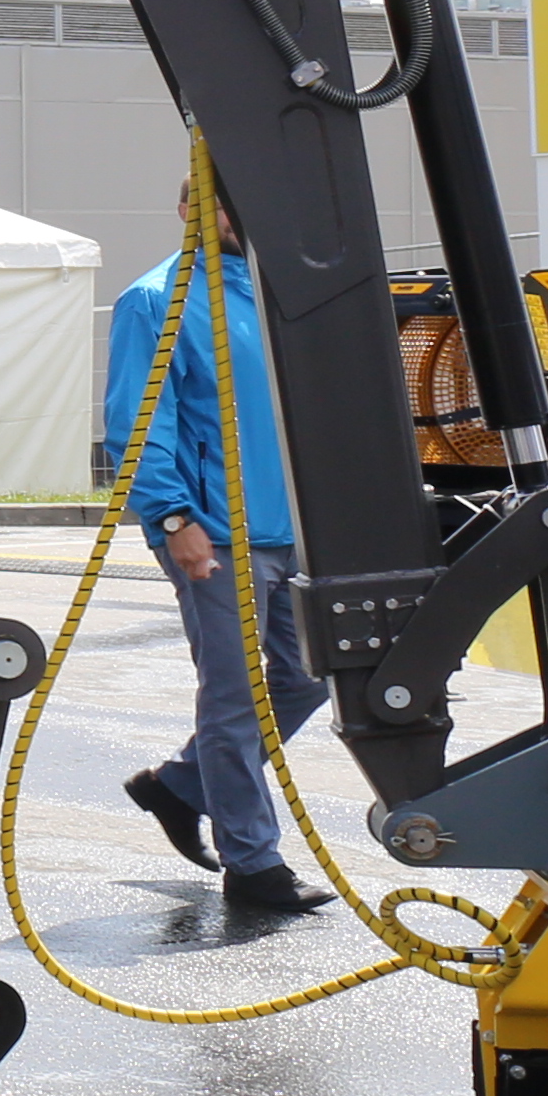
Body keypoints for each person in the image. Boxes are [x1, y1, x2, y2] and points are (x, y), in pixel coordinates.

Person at [108, 167, 324, 912]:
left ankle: (181, 786)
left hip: (292, 533)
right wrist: (172, 520)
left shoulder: (271, 296)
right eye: (217, 201)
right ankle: (254, 865)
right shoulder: (155, 302)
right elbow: (137, 425)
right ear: (184, 208)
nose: (234, 215)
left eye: (244, 199)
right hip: (215, 533)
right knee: (237, 699)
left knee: (309, 680)